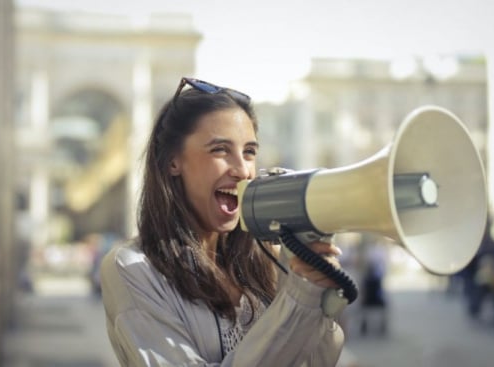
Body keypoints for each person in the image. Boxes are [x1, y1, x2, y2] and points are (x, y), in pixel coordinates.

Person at [99, 77, 346, 366]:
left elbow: (317, 361)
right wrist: (298, 300)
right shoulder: (132, 268)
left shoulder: (269, 260)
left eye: (249, 152)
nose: (243, 170)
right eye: (220, 150)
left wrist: (317, 297)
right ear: (172, 162)